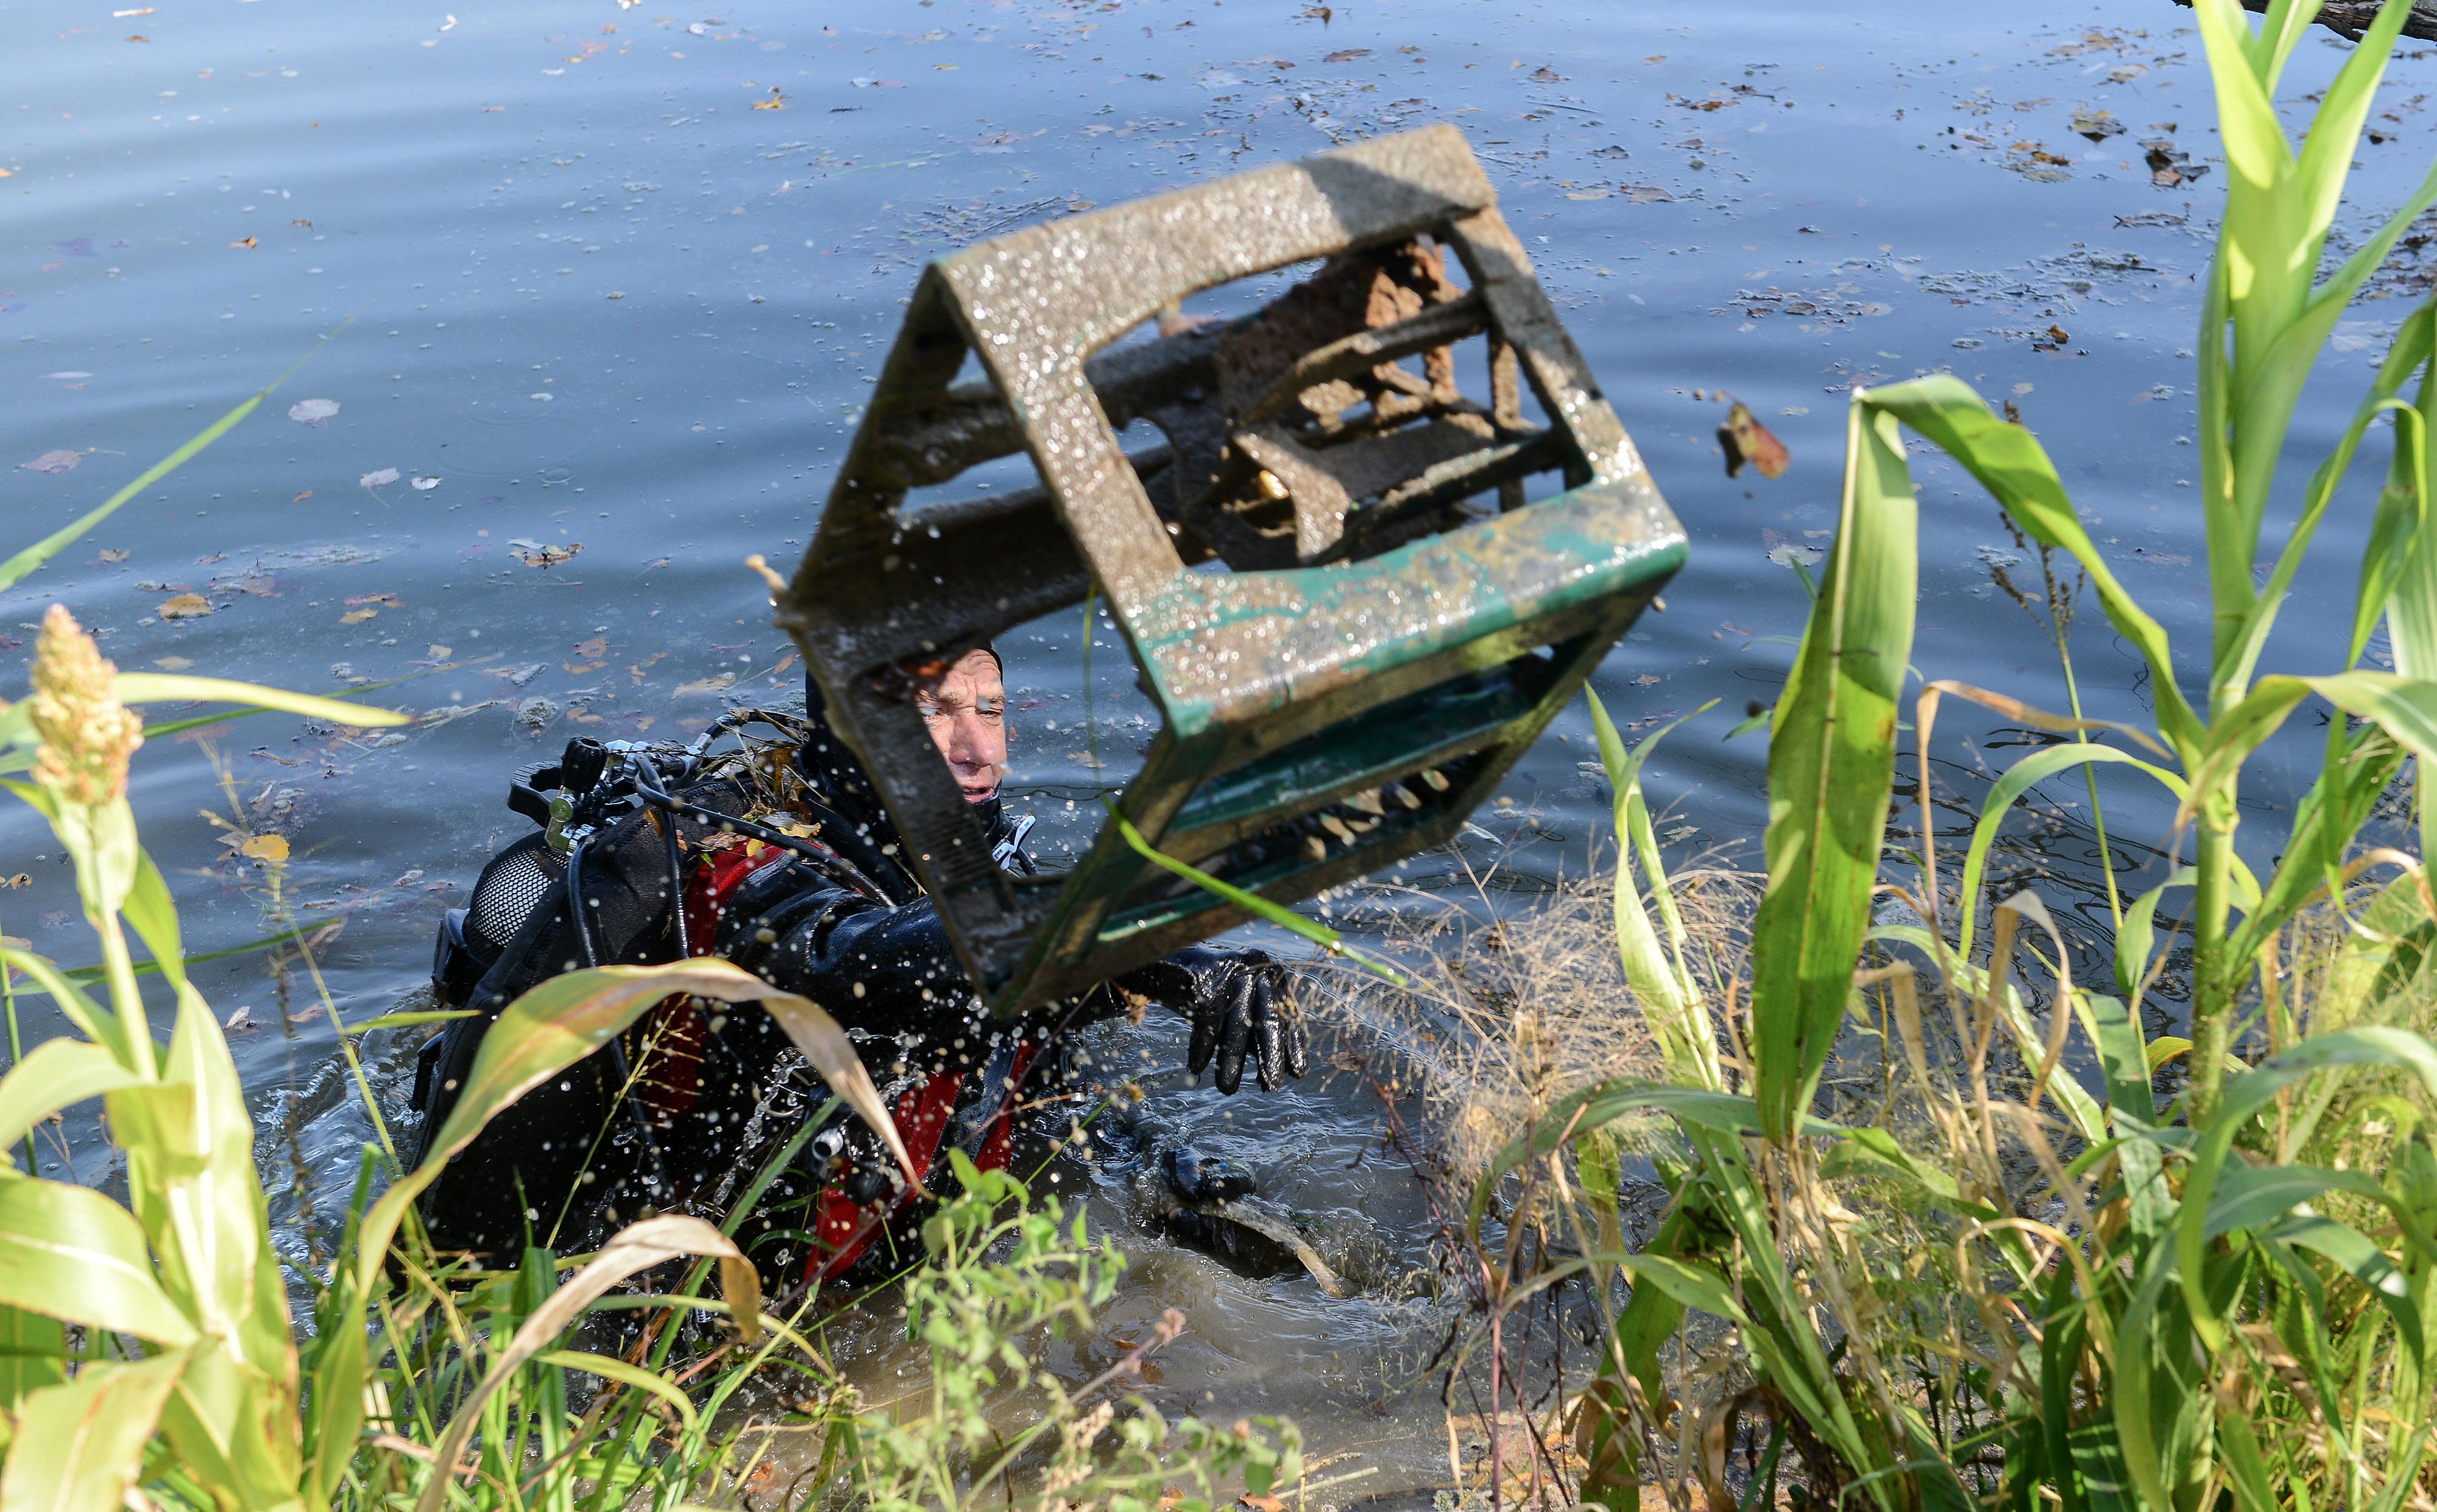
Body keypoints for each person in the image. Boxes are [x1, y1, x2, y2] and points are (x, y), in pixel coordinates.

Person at [411, 643, 1307, 1284]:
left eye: (989, 707)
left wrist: (1171, 1179)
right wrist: (1138, 937)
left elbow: (1046, 1096)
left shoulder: (990, 877)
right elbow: (841, 956)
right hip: (666, 1293)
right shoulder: (748, 864)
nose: (979, 748)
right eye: (935, 710)